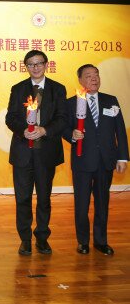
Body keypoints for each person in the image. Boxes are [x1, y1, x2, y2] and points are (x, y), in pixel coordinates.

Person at [5, 50, 67, 256]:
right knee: (22, 198)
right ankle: (25, 239)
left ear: (46, 64)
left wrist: (44, 130)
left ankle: (42, 237)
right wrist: (23, 130)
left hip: (46, 151)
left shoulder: (58, 89)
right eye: (31, 64)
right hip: (23, 151)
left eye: (39, 63)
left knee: (44, 198)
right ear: (26, 67)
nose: (35, 67)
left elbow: (62, 118)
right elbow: (11, 118)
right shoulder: (18, 89)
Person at [62, 64, 128, 255]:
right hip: (83, 160)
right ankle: (82, 241)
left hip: (106, 160)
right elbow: (64, 128)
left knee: (102, 203)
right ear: (80, 80)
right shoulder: (71, 103)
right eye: (89, 76)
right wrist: (72, 135)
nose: (94, 79)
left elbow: (120, 131)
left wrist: (122, 157)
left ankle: (101, 241)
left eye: (96, 75)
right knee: (81, 205)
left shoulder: (110, 100)